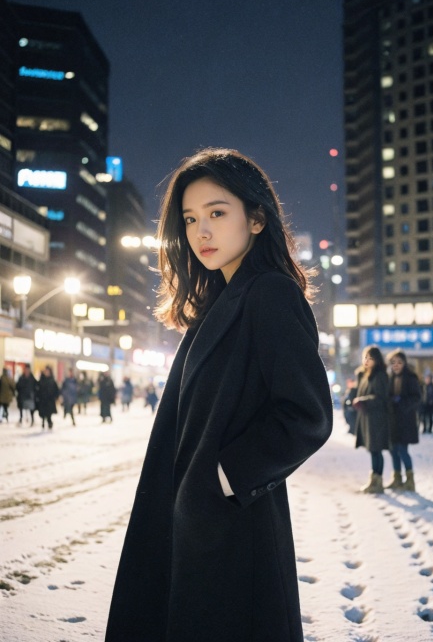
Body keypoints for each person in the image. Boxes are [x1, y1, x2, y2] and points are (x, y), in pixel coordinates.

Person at [105, 148, 333, 642]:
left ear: (256, 219)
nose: (200, 231)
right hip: (195, 526)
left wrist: (224, 478)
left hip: (234, 533)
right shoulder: (218, 301)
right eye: (190, 218)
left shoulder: (269, 291)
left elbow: (307, 414)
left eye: (216, 213)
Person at [353, 346, 389, 494]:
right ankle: (375, 479)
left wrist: (363, 401)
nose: (367, 361)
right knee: (373, 450)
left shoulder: (380, 375)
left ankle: (377, 481)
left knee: (376, 450)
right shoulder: (366, 375)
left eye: (370, 358)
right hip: (369, 418)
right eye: (365, 357)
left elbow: (381, 398)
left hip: (377, 418)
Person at [385, 350, 421, 492]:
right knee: (393, 450)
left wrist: (401, 403)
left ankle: (410, 480)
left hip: (406, 421)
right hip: (393, 421)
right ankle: (397, 478)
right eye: (393, 362)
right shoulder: (390, 378)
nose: (396, 365)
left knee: (402, 449)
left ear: (404, 363)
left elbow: (417, 398)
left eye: (399, 362)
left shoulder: (411, 377)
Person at [37, 366, 59, 430]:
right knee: (43, 412)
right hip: (42, 399)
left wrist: (56, 396)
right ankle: (43, 422)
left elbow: (56, 389)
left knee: (49, 413)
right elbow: (38, 389)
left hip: (50, 400)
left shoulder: (52, 380)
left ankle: (49, 422)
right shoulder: (41, 380)